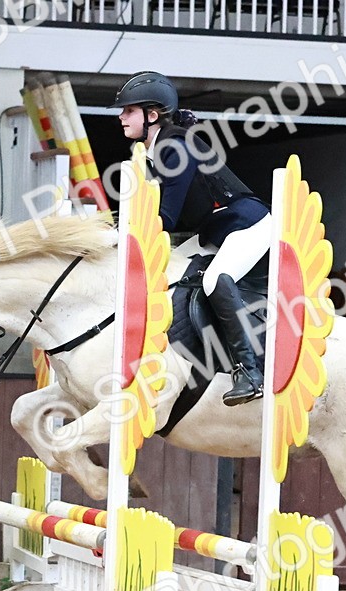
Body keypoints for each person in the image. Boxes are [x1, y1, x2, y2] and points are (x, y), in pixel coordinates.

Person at [111, 71, 272, 407]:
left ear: (152, 116)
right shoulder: (153, 148)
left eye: (129, 111)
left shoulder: (175, 146)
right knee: (171, 272)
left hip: (247, 223)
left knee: (215, 279)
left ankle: (249, 370)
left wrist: (115, 233)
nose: (121, 117)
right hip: (215, 229)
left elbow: (165, 218)